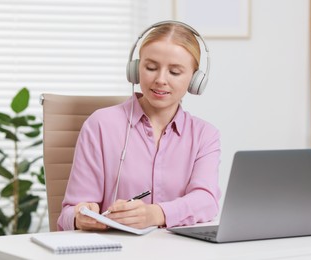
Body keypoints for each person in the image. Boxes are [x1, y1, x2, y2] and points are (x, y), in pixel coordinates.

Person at [57, 21, 221, 231]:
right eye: (151, 67)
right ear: (135, 69)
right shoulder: (100, 125)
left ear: (194, 79)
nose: (160, 80)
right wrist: (79, 216)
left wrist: (156, 214)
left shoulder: (204, 135)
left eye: (175, 72)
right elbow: (68, 213)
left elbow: (207, 200)